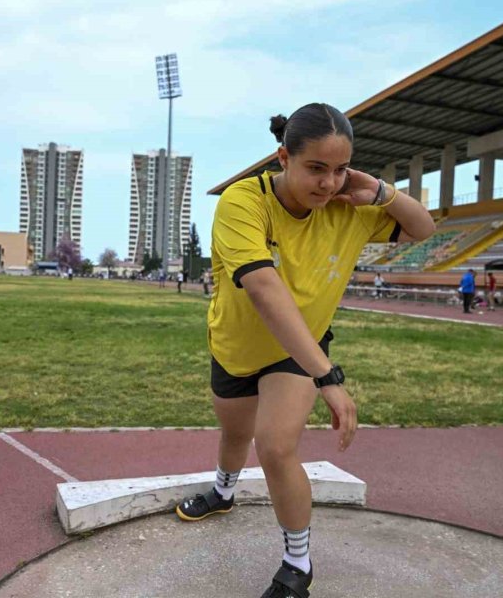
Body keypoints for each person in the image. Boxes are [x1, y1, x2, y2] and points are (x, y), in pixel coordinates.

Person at [174, 103, 435, 598]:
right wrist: (330, 378)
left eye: (339, 170)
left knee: (274, 446)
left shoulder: (351, 210)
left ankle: (298, 562)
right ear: (283, 158)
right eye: (316, 168)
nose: (328, 184)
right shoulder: (241, 202)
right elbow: (266, 292)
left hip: (300, 350)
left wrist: (380, 191)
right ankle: (224, 491)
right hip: (235, 343)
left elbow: (423, 228)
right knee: (235, 432)